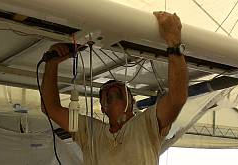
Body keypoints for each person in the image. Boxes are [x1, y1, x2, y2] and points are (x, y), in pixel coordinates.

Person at [41, 11, 188, 165]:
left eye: (120, 90)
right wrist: (52, 65)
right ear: (103, 108)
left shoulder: (146, 123)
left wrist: (174, 42)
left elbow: (177, 99)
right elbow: (49, 107)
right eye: (106, 93)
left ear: (132, 101)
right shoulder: (90, 132)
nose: (111, 88)